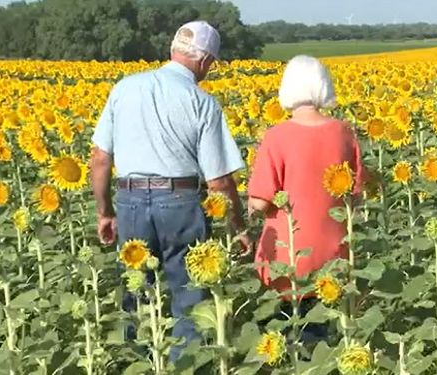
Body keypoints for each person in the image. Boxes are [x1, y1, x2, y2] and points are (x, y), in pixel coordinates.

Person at [89, 20, 248, 360]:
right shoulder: (202, 101)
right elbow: (219, 180)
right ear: (205, 61)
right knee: (189, 293)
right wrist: (239, 227)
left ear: (173, 49)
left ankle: (137, 362)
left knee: (136, 292)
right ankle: (182, 364)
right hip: (181, 201)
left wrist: (105, 212)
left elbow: (100, 159)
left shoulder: (124, 88)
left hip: (129, 199)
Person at [247, 55, 365, 339]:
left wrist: (248, 209)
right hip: (334, 253)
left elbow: (262, 201)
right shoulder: (344, 132)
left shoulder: (277, 136)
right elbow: (357, 195)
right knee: (328, 338)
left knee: (287, 339)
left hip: (287, 255)